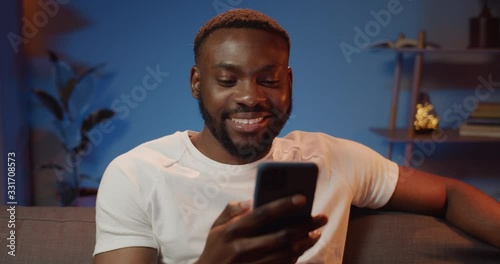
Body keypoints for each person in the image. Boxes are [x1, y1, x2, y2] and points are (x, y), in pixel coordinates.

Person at [93, 8, 500, 264]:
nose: (250, 97)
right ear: (197, 83)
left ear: (288, 82)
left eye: (268, 80)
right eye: (227, 79)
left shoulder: (335, 158)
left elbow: (449, 195)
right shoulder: (136, 174)